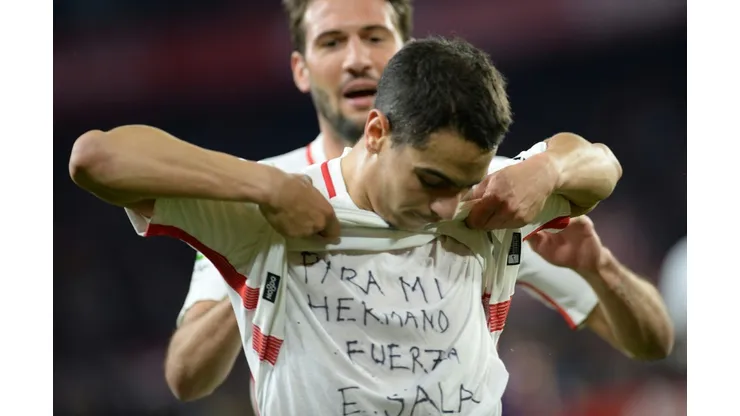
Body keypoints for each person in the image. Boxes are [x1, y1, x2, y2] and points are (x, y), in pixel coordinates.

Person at [69, 36, 623, 416]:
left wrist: (545, 169)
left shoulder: (493, 198)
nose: (445, 206)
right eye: (430, 180)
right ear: (377, 133)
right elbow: (96, 158)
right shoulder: (274, 212)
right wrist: (266, 186)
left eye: (464, 181)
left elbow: (603, 166)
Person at [163, 0, 674, 406]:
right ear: (301, 68)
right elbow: (186, 377)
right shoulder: (261, 196)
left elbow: (651, 340)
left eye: (374, 37)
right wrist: (258, 275)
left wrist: (596, 261)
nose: (357, 58)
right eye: (332, 41)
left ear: (405, 53)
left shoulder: (486, 193)